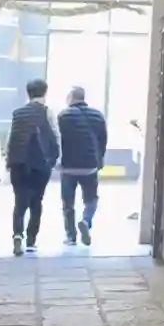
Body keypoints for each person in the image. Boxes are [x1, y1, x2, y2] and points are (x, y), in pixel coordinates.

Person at [4, 79, 60, 255]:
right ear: (45, 92)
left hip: (18, 162)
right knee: (36, 201)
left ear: (28, 93)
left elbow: (11, 138)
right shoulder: (47, 112)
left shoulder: (18, 113)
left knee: (19, 201)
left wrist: (8, 160)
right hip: (40, 163)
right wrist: (54, 159)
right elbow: (55, 135)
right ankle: (31, 240)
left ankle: (17, 234)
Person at [57, 84, 108, 247]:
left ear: (70, 98)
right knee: (91, 199)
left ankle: (71, 237)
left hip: (68, 167)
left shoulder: (63, 116)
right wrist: (99, 161)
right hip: (89, 166)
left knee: (68, 203)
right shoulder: (98, 116)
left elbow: (58, 140)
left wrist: (56, 160)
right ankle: (86, 220)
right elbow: (103, 141)